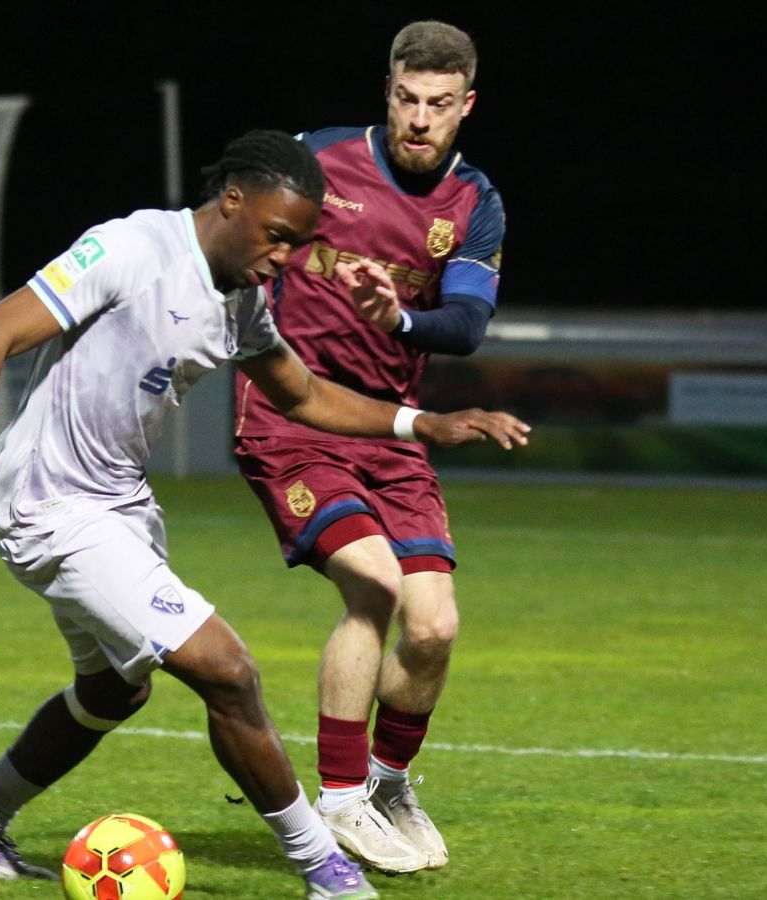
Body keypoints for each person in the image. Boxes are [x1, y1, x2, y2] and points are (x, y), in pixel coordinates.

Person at [0, 129, 529, 900]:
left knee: (112, 693)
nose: (285, 259)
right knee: (228, 672)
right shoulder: (131, 247)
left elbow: (301, 394)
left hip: (119, 505)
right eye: (277, 236)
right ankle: (327, 872)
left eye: (300, 246)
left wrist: (417, 423)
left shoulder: (241, 299)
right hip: (53, 505)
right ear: (232, 199)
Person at [231, 21, 503, 875]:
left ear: (465, 106)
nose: (419, 120)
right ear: (387, 92)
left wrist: (401, 319)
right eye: (406, 99)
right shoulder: (318, 161)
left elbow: (465, 324)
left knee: (434, 630)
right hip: (291, 421)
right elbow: (232, 240)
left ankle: (387, 784)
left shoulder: (474, 204)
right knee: (375, 583)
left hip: (389, 429)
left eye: (439, 105)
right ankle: (341, 799)